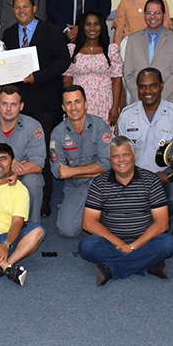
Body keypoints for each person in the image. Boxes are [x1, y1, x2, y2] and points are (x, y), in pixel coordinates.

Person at [1, 0, 71, 216]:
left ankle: (43, 200)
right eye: (17, 7)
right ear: (13, 10)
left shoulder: (51, 32)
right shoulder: (9, 33)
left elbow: (63, 61)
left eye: (25, 6)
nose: (21, 11)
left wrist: (37, 76)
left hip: (45, 104)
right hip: (17, 105)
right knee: (16, 149)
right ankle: (15, 198)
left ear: (34, 8)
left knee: (42, 152)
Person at [79, 136, 173, 286]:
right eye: (116, 156)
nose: (121, 160)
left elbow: (162, 223)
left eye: (126, 154)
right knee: (86, 246)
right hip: (110, 242)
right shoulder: (99, 183)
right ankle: (148, 264)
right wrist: (119, 244)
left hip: (145, 240)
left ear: (134, 155)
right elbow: (88, 223)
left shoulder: (151, 180)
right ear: (110, 159)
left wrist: (133, 247)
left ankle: (112, 269)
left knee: (169, 243)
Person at [118, 68, 173, 235]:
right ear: (137, 89)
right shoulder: (126, 115)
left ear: (161, 86)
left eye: (153, 85)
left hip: (166, 175)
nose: (148, 91)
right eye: (143, 86)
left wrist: (170, 176)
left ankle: (165, 232)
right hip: (135, 175)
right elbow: (120, 155)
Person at [0, 143, 46, 287]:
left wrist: (6, 244)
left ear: (13, 162)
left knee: (39, 231)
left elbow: (17, 222)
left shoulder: (20, 189)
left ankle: (1, 266)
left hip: (11, 240)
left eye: (3, 158)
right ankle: (9, 268)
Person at [0, 86, 45, 224]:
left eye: (14, 104)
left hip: (22, 176)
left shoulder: (33, 127)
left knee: (33, 181)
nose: (9, 109)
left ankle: (31, 227)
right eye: (4, 103)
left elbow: (37, 165)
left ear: (21, 106)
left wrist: (12, 171)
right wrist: (6, 170)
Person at [50, 85, 112, 238]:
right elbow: (58, 171)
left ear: (85, 104)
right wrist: (90, 171)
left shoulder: (100, 126)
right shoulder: (57, 133)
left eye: (77, 102)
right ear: (63, 107)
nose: (73, 107)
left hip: (101, 183)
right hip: (75, 186)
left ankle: (92, 211)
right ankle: (80, 208)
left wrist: (73, 171)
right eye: (69, 103)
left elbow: (106, 164)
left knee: (115, 225)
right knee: (67, 231)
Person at [63, 10, 123, 127]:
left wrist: (115, 107)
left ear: (102, 26)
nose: (92, 28)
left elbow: (117, 80)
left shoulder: (111, 50)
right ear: (82, 27)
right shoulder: (72, 50)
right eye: (88, 24)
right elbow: (67, 80)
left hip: (104, 104)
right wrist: (68, 104)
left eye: (96, 24)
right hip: (79, 103)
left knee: (104, 140)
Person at [122, 0, 173, 105]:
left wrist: (158, 97)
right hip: (138, 102)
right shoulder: (133, 39)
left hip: (166, 102)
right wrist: (140, 97)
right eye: (149, 12)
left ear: (164, 15)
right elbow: (128, 73)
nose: (153, 16)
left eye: (157, 12)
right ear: (144, 15)